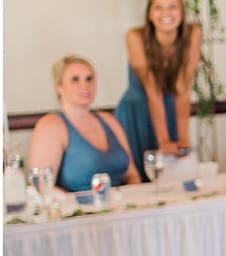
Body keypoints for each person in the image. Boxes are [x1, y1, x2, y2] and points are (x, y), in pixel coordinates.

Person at [30, 55, 142, 191]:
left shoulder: (109, 120)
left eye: (89, 79)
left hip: (122, 207)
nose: (85, 85)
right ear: (59, 86)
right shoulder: (50, 125)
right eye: (75, 80)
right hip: (78, 210)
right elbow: (42, 186)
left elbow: (132, 175)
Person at [116, 0, 202, 161]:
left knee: (178, 164)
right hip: (137, 112)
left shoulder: (193, 33)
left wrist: (183, 138)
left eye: (172, 6)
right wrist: (163, 141)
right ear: (149, 14)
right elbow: (152, 90)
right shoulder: (135, 37)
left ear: (182, 11)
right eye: (158, 7)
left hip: (171, 111)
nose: (166, 13)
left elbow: (182, 87)